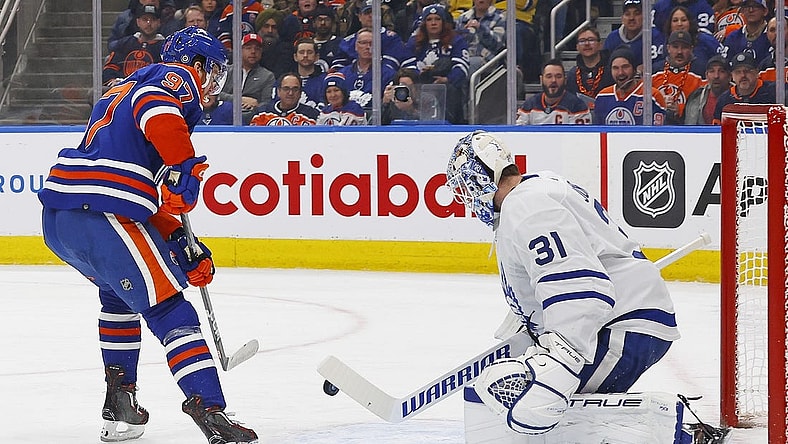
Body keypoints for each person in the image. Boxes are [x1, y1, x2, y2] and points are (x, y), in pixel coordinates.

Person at [37, 26, 257, 444]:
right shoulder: (172, 78)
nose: (211, 82)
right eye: (211, 70)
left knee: (119, 296)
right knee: (170, 311)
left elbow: (146, 199)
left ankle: (120, 406)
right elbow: (157, 109)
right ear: (194, 63)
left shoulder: (123, 89)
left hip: (62, 218)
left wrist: (180, 242)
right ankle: (209, 408)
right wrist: (184, 164)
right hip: (102, 212)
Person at [444, 130, 680, 436]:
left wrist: (561, 359)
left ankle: (668, 436)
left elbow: (580, 288)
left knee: (524, 402)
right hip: (621, 319)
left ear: (480, 177)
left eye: (466, 186)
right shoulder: (536, 191)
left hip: (619, 326)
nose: (467, 198)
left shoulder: (526, 207)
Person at [403, 4, 470, 124]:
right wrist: (419, 76)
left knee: (451, 90)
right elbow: (407, 64)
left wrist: (447, 79)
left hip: (447, 88)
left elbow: (461, 66)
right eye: (429, 19)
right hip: (418, 87)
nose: (433, 23)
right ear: (423, 23)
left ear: (443, 22)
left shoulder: (456, 40)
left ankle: (450, 123)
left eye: (437, 19)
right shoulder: (414, 42)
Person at [595, 47, 667, 125]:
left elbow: (657, 133)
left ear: (634, 69)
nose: (620, 73)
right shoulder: (602, 96)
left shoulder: (652, 95)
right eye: (615, 68)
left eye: (625, 67)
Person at [331, 0, 408, 72]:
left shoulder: (392, 38)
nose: (371, 15)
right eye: (367, 12)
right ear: (360, 17)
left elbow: (405, 62)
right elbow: (338, 67)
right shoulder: (348, 42)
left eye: (374, 12)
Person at [103, 5, 166, 87]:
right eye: (145, 19)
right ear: (138, 22)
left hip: (151, 90)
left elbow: (165, 73)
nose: (149, 23)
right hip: (121, 88)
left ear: (158, 22)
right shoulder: (125, 43)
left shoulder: (165, 48)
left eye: (153, 20)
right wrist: (112, 80)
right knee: (93, 93)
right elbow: (110, 67)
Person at [219, 33, 276, 124]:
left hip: (253, 117)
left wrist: (256, 107)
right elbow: (216, 94)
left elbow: (267, 102)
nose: (253, 51)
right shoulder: (226, 71)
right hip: (225, 115)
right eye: (248, 48)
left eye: (257, 48)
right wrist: (239, 99)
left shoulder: (267, 76)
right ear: (240, 50)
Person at [339, 28, 397, 113]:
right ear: (356, 46)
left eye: (372, 43)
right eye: (363, 43)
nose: (367, 47)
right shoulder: (342, 74)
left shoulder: (389, 74)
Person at [516, 59, 592, 125]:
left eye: (558, 76)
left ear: (565, 80)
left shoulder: (577, 106)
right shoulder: (529, 105)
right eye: (549, 76)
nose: (553, 80)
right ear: (541, 79)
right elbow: (518, 134)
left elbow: (579, 138)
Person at [652, 30, 705, 124]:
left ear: (691, 49)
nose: (679, 52)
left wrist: (681, 108)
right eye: (675, 47)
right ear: (668, 48)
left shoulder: (701, 71)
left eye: (684, 47)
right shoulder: (654, 70)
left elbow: (705, 104)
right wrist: (660, 104)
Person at [603, 0, 665, 74]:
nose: (631, 18)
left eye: (637, 14)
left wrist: (649, 67)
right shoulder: (612, 38)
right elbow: (605, 66)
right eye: (627, 14)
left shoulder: (656, 36)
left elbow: (664, 63)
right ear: (622, 18)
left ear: (644, 16)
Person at [713, 51, 776, 123]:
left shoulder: (773, 92)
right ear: (732, 76)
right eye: (738, 72)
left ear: (757, 73)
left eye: (747, 71)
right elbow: (717, 129)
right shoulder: (724, 100)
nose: (743, 75)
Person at [565, 25, 614, 114]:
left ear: (600, 44)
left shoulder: (611, 70)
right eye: (582, 41)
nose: (587, 44)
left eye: (591, 40)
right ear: (577, 47)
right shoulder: (572, 74)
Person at [663, 5, 723, 76]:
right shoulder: (666, 43)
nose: (679, 24)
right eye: (675, 20)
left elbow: (721, 61)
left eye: (683, 20)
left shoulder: (706, 40)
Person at [455, 0, 506, 76]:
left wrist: (480, 28)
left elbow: (497, 45)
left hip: (489, 60)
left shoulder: (500, 18)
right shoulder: (463, 18)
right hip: (465, 57)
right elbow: (456, 43)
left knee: (470, 64)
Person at [493, 0, 540, 82]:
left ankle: (515, 69)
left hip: (519, 20)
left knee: (514, 31)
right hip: (494, 18)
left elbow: (526, 4)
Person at [249, 72, 319, 125]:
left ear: (300, 93)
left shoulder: (311, 115)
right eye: (286, 88)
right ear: (278, 91)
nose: (290, 93)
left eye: (295, 89)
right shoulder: (262, 113)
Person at [684, 55, 732, 124]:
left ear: (730, 76)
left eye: (721, 71)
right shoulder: (695, 97)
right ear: (706, 75)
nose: (716, 76)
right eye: (712, 71)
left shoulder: (739, 98)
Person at [722, 0, 770, 67]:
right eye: (747, 6)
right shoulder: (733, 37)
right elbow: (725, 64)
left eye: (755, 6)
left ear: (765, 11)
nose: (751, 10)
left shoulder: (772, 35)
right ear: (742, 11)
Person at [255, 8, 297, 78]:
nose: (270, 31)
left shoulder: (286, 51)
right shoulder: (252, 47)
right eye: (266, 26)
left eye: (274, 27)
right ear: (259, 27)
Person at [293, 37, 328, 110]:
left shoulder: (326, 80)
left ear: (317, 57)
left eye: (309, 52)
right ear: (295, 57)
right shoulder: (285, 81)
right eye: (301, 52)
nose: (305, 55)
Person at [311, 5, 341, 71]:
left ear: (333, 23)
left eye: (327, 20)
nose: (323, 23)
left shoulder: (341, 43)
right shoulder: (307, 44)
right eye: (319, 19)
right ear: (313, 23)